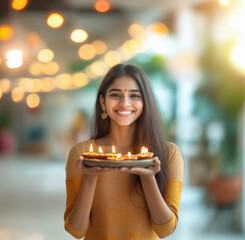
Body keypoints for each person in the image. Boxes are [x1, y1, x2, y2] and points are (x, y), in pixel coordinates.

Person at [64, 64, 184, 240]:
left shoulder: (168, 154)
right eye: (115, 95)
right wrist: (90, 178)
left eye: (134, 95)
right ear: (103, 102)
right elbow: (76, 230)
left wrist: (148, 177)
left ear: (145, 102)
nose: (125, 103)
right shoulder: (83, 154)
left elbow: (165, 230)